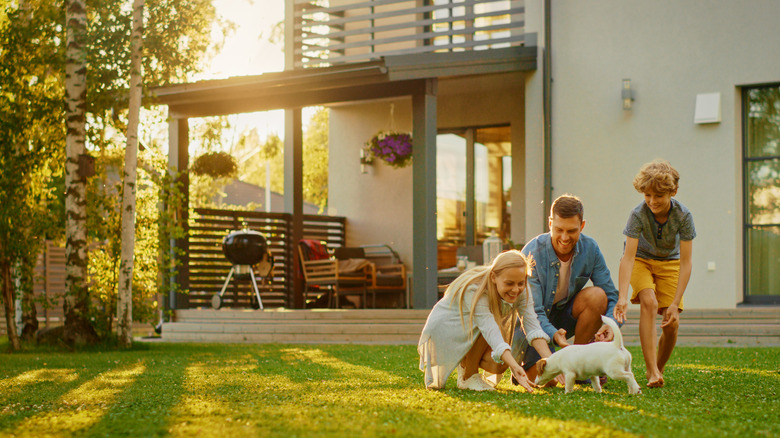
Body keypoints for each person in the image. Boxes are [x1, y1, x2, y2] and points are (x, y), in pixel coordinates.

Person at [516, 194, 620, 384]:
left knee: (598, 296)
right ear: (550, 224)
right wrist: (553, 336)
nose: (564, 238)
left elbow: (612, 295)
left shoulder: (591, 249)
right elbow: (533, 312)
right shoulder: (532, 253)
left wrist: (612, 325)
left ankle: (580, 365)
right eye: (559, 230)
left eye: (572, 231)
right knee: (549, 381)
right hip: (533, 324)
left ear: (582, 226)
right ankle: (533, 366)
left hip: (564, 317)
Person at [418, 250, 550, 392]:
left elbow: (533, 327)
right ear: (494, 277)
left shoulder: (521, 289)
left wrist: (554, 362)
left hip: (473, 329)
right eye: (509, 283)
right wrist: (515, 366)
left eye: (521, 283)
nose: (516, 289)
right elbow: (488, 328)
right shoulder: (475, 289)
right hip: (446, 329)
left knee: (498, 364)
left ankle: (465, 365)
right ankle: (468, 376)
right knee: (493, 336)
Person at [614, 159, 695, 388]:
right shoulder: (638, 214)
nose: (651, 201)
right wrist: (622, 297)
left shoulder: (683, 216)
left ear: (673, 191)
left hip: (670, 262)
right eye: (647, 195)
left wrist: (676, 302)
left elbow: (687, 262)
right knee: (648, 301)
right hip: (641, 260)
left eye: (658, 196)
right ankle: (650, 370)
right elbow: (628, 257)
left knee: (671, 323)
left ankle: (658, 369)